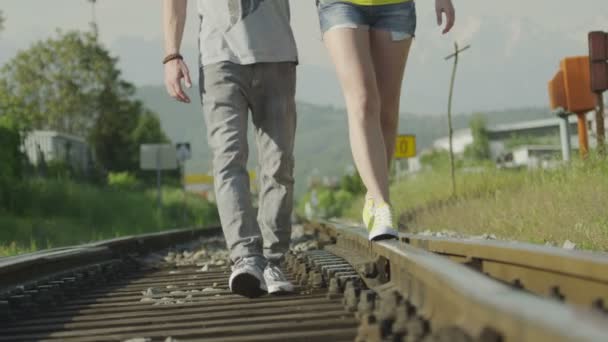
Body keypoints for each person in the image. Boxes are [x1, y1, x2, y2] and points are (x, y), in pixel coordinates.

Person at [162, 0, 298, 298]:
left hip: (277, 55)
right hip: (218, 59)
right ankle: (246, 256)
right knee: (228, 159)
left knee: (279, 163)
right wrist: (172, 55)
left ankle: (274, 259)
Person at [315, 0, 455, 240]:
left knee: (387, 111)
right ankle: (382, 204)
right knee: (363, 100)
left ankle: (373, 196)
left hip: (395, 6)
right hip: (340, 5)